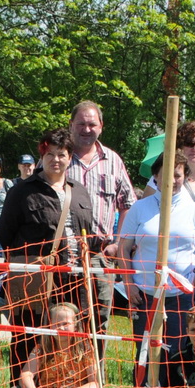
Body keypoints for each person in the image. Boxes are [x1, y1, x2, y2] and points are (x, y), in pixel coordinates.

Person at [0, 127, 96, 381]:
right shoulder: (22, 191)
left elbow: (88, 231)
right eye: (50, 154)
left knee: (69, 338)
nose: (56, 159)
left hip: (73, 278)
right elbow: (5, 235)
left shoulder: (80, 191)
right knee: (28, 334)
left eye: (61, 154)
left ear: (70, 157)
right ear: (42, 156)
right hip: (35, 277)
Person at [119, 155, 195, 385]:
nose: (172, 180)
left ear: (185, 177)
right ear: (155, 177)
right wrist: (129, 284)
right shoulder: (140, 208)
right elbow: (124, 248)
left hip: (179, 296)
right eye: (166, 175)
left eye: (177, 175)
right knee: (145, 352)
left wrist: (194, 278)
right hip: (144, 294)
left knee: (176, 353)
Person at [65, 101, 136, 333]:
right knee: (66, 317)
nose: (86, 129)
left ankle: (96, 360)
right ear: (71, 125)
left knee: (100, 318)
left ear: (101, 127)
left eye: (92, 124)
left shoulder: (113, 161)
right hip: (66, 254)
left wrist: (118, 243)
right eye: (81, 124)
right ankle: (69, 358)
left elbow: (128, 205)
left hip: (101, 255)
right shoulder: (58, 157)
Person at [14, 302, 99, 388]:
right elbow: (25, 375)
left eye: (66, 324)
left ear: (76, 326)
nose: (61, 328)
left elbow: (95, 383)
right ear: (49, 325)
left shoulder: (85, 349)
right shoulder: (42, 348)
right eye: (56, 324)